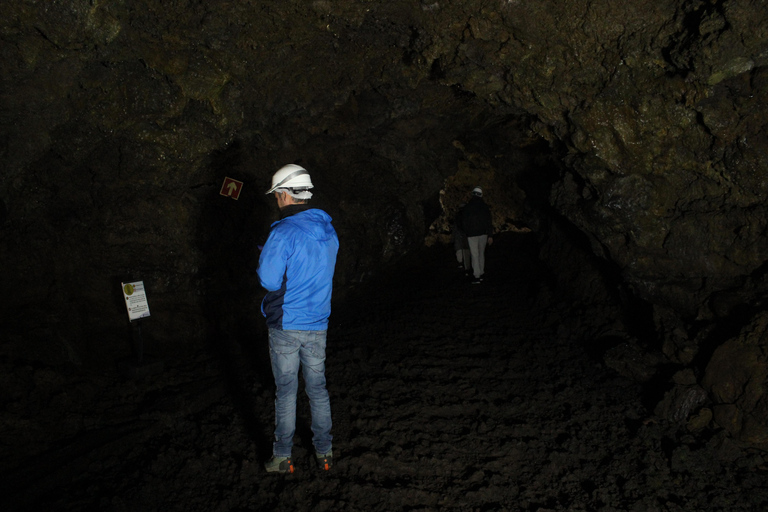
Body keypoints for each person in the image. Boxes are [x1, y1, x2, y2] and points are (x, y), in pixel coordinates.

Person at [257, 164, 339, 474]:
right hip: (318, 322)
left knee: (287, 391)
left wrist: (267, 254)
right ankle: (325, 453)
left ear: (284, 195)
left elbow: (268, 279)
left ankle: (282, 457)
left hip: (286, 324)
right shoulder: (328, 230)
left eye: (277, 194)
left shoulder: (283, 231)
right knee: (317, 389)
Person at [460, 186, 493, 284]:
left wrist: (466, 232)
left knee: (475, 255)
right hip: (483, 234)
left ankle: (477, 275)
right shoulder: (485, 207)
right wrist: (490, 235)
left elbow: (463, 222)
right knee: (481, 254)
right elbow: (489, 221)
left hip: (472, 234)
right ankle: (481, 273)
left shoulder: (467, 207)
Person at [453, 204, 470, 274]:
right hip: (466, 235)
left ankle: (461, 264)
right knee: (466, 250)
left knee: (459, 249)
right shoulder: (468, 215)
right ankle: (467, 267)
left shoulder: (457, 216)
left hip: (459, 235)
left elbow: (455, 227)